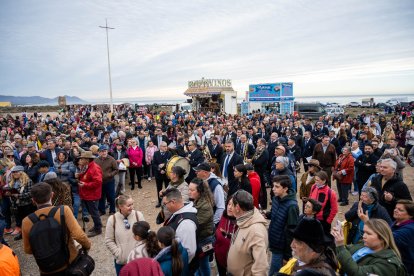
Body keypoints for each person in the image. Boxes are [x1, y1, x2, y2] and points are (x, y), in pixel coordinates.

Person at [22, 183, 91, 275]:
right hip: (69, 262)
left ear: (33, 200)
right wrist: (87, 246)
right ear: (52, 195)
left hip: (46, 269)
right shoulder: (63, 210)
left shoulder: (26, 221)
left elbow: (28, 250)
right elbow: (79, 235)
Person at [332, 218, 405, 276]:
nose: (364, 236)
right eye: (364, 232)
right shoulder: (365, 245)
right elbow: (346, 249)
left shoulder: (388, 264)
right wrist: (336, 238)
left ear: (382, 238)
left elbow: (357, 273)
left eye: (369, 234)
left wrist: (340, 246)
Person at [227, 190, 269, 275]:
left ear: (238, 208)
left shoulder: (256, 231)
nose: (230, 207)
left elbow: (261, 268)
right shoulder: (244, 220)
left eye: (232, 205)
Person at [266, 175, 299, 275]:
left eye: (277, 187)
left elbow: (292, 232)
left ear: (285, 189)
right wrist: (266, 214)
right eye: (273, 186)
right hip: (274, 241)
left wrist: (287, 255)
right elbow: (275, 214)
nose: (273, 189)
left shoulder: (292, 206)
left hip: (281, 247)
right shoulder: (276, 199)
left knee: (274, 273)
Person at [105, 195, 145, 275]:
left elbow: (146, 234)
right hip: (122, 263)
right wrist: (119, 254)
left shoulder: (138, 215)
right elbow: (109, 240)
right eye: (129, 205)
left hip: (138, 260)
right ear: (120, 206)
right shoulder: (112, 220)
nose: (132, 207)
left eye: (132, 204)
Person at [162, 188, 198, 262]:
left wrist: (178, 266)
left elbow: (190, 251)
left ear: (173, 202)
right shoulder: (179, 211)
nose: (165, 207)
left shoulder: (186, 223)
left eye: (165, 204)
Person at [188, 177, 214, 276]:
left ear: (200, 191)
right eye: (189, 189)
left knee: (203, 264)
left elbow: (195, 224)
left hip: (205, 241)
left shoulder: (205, 206)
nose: (189, 192)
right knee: (198, 264)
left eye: (192, 190)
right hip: (199, 239)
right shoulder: (196, 200)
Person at [77, 151, 103, 237]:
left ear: (87, 159)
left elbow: (98, 182)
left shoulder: (94, 168)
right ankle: (96, 226)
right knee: (92, 212)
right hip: (87, 194)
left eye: (82, 158)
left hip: (92, 195)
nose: (81, 159)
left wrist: (85, 184)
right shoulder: (86, 166)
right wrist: (79, 175)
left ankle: (98, 229)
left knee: (94, 212)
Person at [5, 165, 35, 240]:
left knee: (29, 221)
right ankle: (23, 234)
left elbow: (31, 193)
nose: (14, 174)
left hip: (27, 205)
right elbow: (12, 194)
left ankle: (33, 235)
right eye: (13, 172)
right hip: (16, 205)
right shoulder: (12, 182)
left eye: (16, 172)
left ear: (21, 172)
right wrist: (9, 194)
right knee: (21, 221)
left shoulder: (28, 181)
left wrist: (18, 195)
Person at [193, 162, 225, 227]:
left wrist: (213, 223)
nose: (196, 172)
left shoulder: (216, 185)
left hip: (209, 223)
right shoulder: (201, 181)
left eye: (198, 171)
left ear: (205, 173)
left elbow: (221, 207)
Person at [214, 195, 238, 276]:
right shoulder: (224, 216)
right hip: (220, 257)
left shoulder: (241, 224)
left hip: (234, 262)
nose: (230, 207)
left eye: (233, 205)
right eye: (229, 204)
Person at [392, 200, 414, 275]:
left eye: (400, 210)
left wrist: (367, 222)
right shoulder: (396, 222)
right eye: (395, 208)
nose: (395, 210)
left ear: (410, 215)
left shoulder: (410, 229)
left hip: (405, 269)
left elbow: (388, 238)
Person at [95, 145, 118, 215]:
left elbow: (116, 170)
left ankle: (112, 210)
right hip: (100, 182)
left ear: (107, 151)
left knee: (111, 196)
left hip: (109, 181)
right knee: (101, 197)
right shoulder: (96, 160)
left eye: (105, 151)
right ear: (99, 152)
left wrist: (110, 175)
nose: (104, 153)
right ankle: (101, 210)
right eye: (102, 151)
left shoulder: (112, 159)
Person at [153, 142, 172, 207]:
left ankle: (167, 201)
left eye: (166, 146)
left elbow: (170, 162)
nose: (166, 147)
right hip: (158, 175)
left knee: (168, 188)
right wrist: (159, 169)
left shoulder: (169, 153)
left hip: (166, 174)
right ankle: (160, 201)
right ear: (160, 147)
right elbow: (154, 164)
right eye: (164, 146)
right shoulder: (156, 153)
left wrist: (164, 169)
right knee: (159, 188)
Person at [251, 138, 269, 208]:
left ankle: (263, 205)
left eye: (258, 142)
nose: (257, 143)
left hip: (261, 172)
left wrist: (253, 161)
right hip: (257, 171)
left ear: (262, 143)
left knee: (262, 189)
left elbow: (259, 162)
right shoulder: (259, 150)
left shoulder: (264, 151)